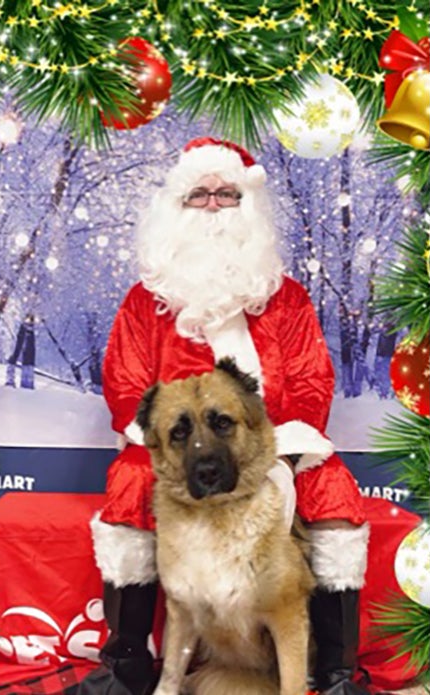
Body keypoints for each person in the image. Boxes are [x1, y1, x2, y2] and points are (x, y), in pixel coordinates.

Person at [78, 138, 370, 695]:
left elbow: (311, 381)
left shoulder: (284, 299)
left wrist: (279, 457)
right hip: (173, 455)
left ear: (248, 206)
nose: (213, 207)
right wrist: (166, 449)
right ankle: (126, 665)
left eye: (226, 194)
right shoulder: (147, 301)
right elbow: (124, 385)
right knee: (129, 485)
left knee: (333, 492)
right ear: (177, 208)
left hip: (273, 447)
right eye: (200, 195)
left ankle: (334, 675)